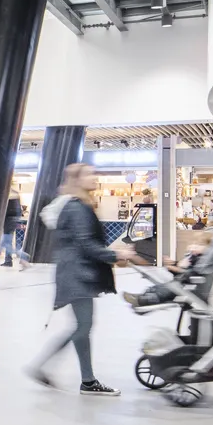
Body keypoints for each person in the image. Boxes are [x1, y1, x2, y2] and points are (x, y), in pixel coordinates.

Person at [26, 163, 136, 396]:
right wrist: (115, 255)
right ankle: (49, 368)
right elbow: (86, 244)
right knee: (83, 326)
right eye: (89, 174)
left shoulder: (76, 206)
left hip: (75, 272)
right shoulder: (77, 208)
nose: (94, 177)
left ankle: (86, 380)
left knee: (82, 326)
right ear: (76, 180)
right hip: (78, 274)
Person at [0, 192, 24, 268]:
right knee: (7, 243)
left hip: (8, 223)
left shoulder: (9, 196)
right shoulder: (15, 195)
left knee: (4, 243)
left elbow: (6, 212)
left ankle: (24, 256)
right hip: (12, 222)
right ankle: (8, 260)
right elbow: (19, 212)